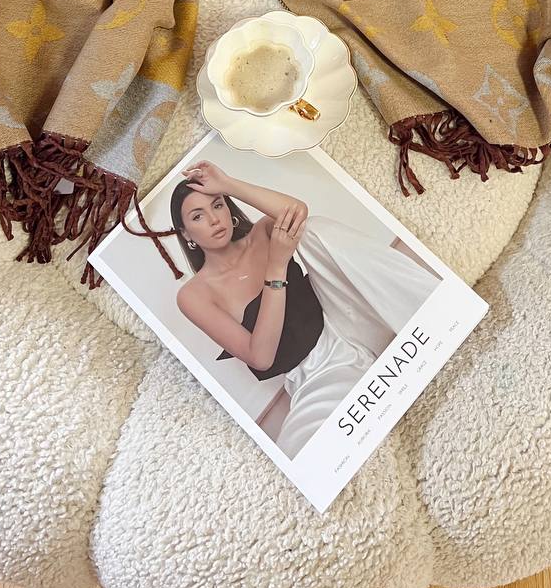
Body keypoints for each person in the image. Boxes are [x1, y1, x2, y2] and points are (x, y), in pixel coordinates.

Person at [170, 159, 440, 458]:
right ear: (186, 233)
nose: (214, 219)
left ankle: (436, 307)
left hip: (351, 321)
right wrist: (276, 265)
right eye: (198, 216)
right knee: (308, 450)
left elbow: (297, 211)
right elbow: (260, 358)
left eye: (218, 205)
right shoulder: (194, 295)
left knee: (310, 227)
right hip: (315, 371)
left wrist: (228, 184)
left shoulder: (261, 233)